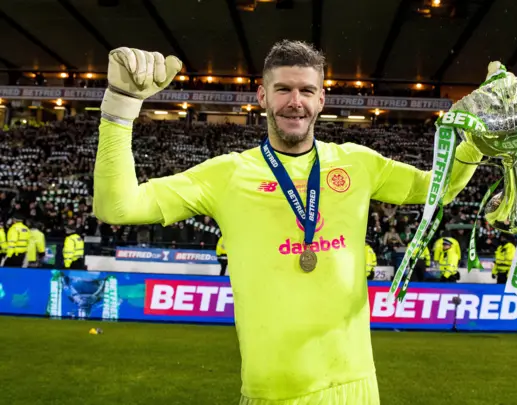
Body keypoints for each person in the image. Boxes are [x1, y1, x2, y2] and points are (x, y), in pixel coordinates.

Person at [92, 42, 482, 404]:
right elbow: (118, 208)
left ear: (321, 99)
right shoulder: (226, 174)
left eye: (306, 91)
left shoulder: (358, 163)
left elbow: (439, 188)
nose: (295, 102)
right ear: (262, 96)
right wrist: (121, 106)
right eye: (283, 90)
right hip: (272, 392)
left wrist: (476, 144)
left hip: (356, 386)